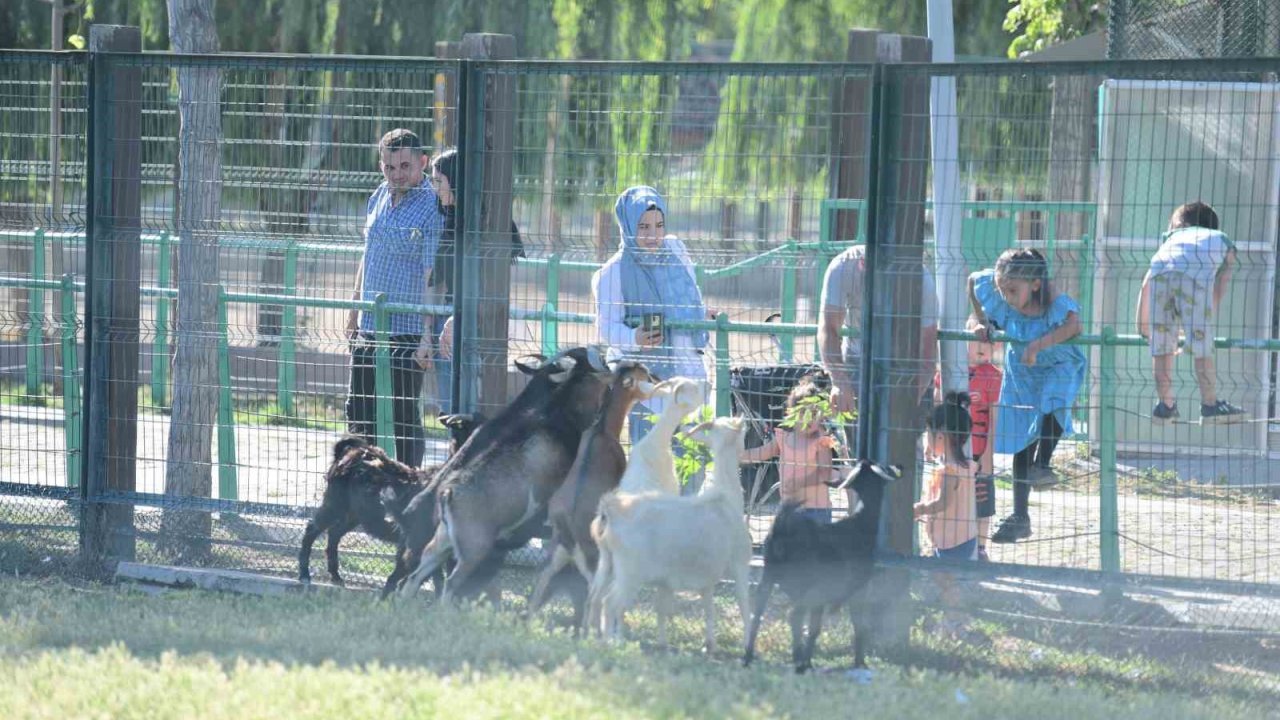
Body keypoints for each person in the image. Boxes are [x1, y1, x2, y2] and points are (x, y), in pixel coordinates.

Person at [968, 247, 1086, 544]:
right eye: (1002, 290)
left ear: (1035, 284)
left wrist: (1037, 346)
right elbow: (973, 280)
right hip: (1022, 369)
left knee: (1054, 402)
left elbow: (1074, 325)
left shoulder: (1054, 301)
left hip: (1058, 362)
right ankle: (1020, 516)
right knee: (1022, 434)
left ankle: (1042, 465)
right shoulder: (1003, 298)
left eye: (1012, 290)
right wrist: (980, 320)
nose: (1006, 296)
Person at [591, 185, 709, 476]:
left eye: (658, 226)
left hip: (689, 370)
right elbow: (606, 328)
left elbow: (691, 296)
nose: (652, 235)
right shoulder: (613, 272)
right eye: (642, 227)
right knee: (652, 466)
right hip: (647, 382)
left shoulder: (676, 251)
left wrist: (702, 314)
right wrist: (635, 338)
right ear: (628, 225)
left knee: (691, 461)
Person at [344, 128, 443, 469]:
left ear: (423, 163)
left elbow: (433, 274)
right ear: (380, 166)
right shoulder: (378, 197)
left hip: (407, 328)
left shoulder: (432, 208)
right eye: (389, 167)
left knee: (403, 413)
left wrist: (427, 335)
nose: (397, 174)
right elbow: (367, 254)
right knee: (359, 409)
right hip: (371, 323)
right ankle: (356, 484)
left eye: (405, 166)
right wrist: (354, 310)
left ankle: (408, 486)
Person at [425, 147, 525, 414]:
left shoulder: (482, 224)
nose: (435, 188)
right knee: (452, 408)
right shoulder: (451, 219)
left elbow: (486, 281)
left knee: (469, 409)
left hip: (474, 322)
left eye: (439, 181)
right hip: (449, 318)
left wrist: (458, 315)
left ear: (455, 181)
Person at [818, 244, 938, 453]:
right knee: (859, 450)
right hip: (857, 359)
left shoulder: (920, 279)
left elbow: (927, 354)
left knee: (904, 451)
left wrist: (908, 401)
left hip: (903, 363)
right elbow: (828, 329)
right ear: (863, 266)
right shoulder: (843, 267)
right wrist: (839, 381)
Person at [1135, 201, 1244, 425]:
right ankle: (1210, 404)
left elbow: (1145, 285)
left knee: (1162, 348)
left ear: (1181, 224)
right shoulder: (1219, 240)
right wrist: (1203, 320)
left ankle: (1165, 405)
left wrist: (1143, 327)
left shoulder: (1170, 241)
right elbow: (1220, 284)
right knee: (1202, 348)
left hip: (1160, 274)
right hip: (1195, 277)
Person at [934, 314, 1001, 561]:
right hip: (954, 450)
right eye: (978, 340)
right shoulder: (951, 371)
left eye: (990, 342)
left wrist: (987, 455)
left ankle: (981, 548)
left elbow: (993, 420)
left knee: (982, 500)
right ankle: (949, 544)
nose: (984, 347)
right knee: (952, 498)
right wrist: (938, 445)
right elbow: (938, 409)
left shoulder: (993, 375)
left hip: (980, 450)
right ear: (965, 340)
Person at [740, 375, 842, 523]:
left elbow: (824, 473)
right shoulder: (784, 436)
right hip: (789, 509)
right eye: (803, 413)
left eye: (814, 414)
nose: (809, 419)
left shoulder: (821, 440)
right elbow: (761, 453)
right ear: (791, 413)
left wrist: (800, 484)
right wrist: (735, 456)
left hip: (816, 511)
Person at [914, 391, 978, 560]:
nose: (926, 440)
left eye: (928, 434)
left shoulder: (949, 472)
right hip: (962, 538)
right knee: (946, 583)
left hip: (952, 542)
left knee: (945, 582)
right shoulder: (966, 466)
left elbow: (943, 503)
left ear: (940, 437)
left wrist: (919, 509)